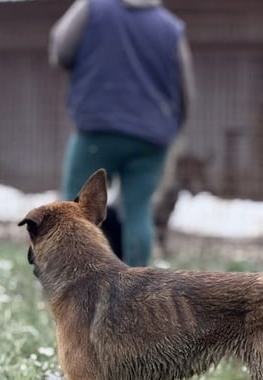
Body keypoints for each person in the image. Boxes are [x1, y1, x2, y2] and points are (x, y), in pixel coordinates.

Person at [50, 0, 195, 266]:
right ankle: (139, 285)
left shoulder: (92, 6)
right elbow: (186, 89)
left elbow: (61, 50)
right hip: (152, 135)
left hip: (98, 125)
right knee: (138, 212)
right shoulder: (171, 27)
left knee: (74, 207)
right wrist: (175, 129)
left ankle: (68, 274)